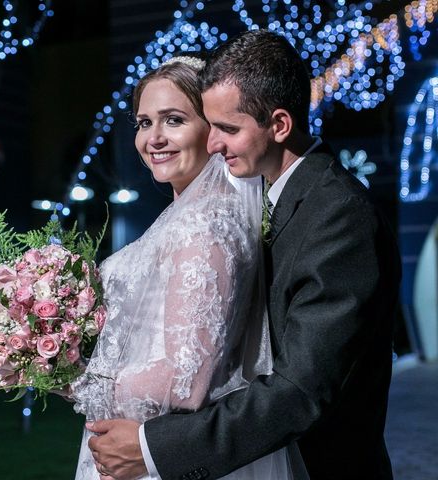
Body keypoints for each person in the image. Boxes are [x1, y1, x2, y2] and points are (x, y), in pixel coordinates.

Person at [86, 29, 401, 480]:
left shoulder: (339, 217)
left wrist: (152, 447)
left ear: (279, 125)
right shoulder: (265, 200)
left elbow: (302, 390)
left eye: (228, 129)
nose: (213, 144)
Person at [71, 54, 306, 479]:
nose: (153, 138)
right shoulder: (182, 218)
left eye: (173, 120)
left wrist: (70, 376)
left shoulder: (206, 225)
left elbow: (184, 379)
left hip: (161, 449)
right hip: (137, 441)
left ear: (211, 131)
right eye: (144, 123)